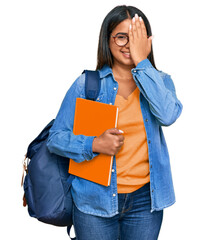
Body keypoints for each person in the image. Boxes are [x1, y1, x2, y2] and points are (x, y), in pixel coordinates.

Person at [47, 5, 183, 240]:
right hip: (94, 200)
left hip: (145, 202)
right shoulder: (87, 84)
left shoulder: (159, 82)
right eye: (121, 37)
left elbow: (168, 115)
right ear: (107, 39)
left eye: (136, 38)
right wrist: (93, 145)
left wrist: (142, 63)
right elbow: (56, 138)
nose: (129, 45)